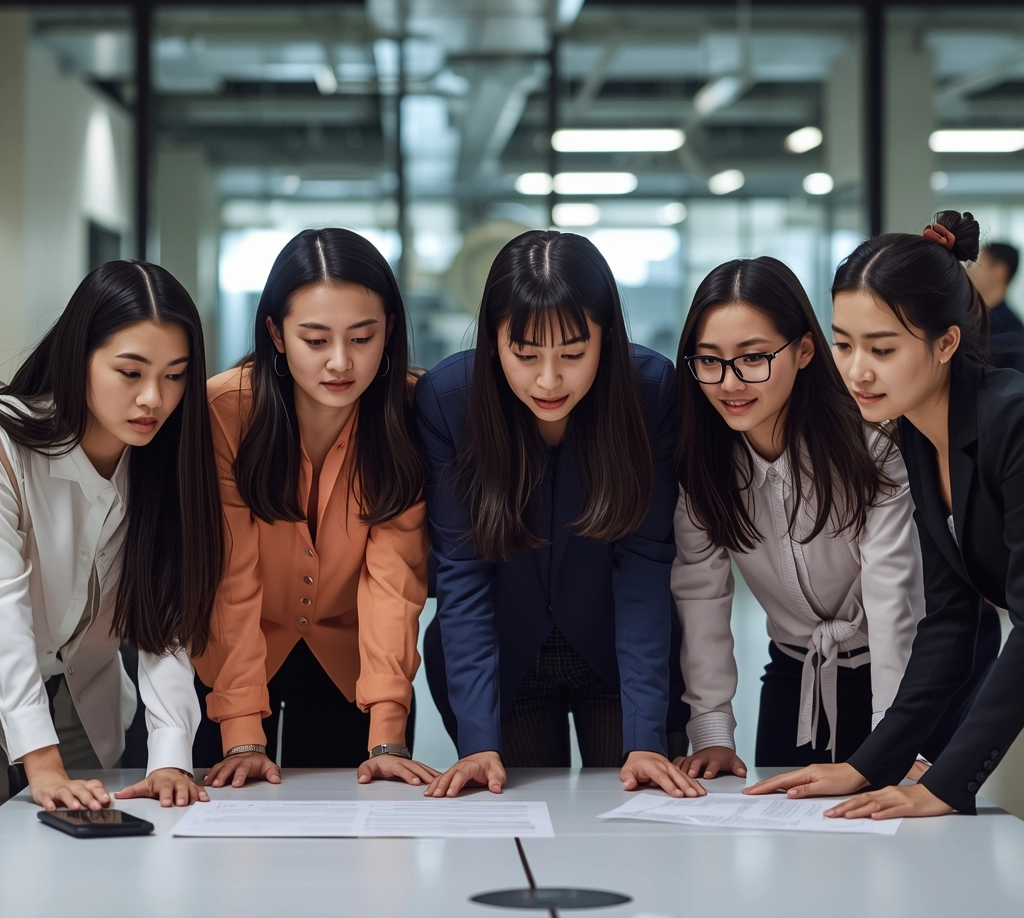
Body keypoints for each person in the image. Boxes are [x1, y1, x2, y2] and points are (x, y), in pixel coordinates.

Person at [748, 209, 1019, 819]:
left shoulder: (1011, 423)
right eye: (844, 344)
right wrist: (867, 765)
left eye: (883, 347)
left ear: (946, 342)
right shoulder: (916, 435)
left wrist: (945, 785)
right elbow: (950, 619)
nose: (856, 370)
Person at [416, 229, 701, 799]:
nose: (549, 380)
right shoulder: (450, 400)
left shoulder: (649, 394)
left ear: (607, 338)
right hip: (502, 659)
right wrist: (477, 738)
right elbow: (461, 574)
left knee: (632, 828)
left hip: (618, 658)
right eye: (525, 355)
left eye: (573, 354)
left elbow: (644, 564)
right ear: (494, 339)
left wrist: (647, 733)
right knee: (516, 823)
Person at [194, 228, 434, 789]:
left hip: (358, 670)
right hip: (231, 670)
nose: (341, 363)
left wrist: (388, 733)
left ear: (390, 330)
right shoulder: (225, 412)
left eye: (362, 337)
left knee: (357, 850)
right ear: (277, 334)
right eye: (316, 339)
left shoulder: (411, 411)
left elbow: (393, 580)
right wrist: (242, 734)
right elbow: (230, 581)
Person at [671, 257, 923, 780]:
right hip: (795, 669)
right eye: (710, 361)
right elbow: (701, 593)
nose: (730, 383)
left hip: (901, 672)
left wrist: (893, 737)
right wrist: (713, 731)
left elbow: (891, 593)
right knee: (787, 839)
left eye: (754, 357)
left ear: (805, 350)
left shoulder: (872, 446)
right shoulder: (703, 464)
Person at [0, 261, 223, 810]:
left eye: (174, 375)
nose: (154, 398)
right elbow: (3, 609)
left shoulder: (165, 462)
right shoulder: (8, 447)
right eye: (131, 372)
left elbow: (166, 618)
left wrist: (170, 755)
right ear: (80, 359)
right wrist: (43, 763)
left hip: (86, 709)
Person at [968, 241, 1024, 371]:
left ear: (999, 272)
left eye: (978, 264)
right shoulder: (972, 319)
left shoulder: (1012, 332)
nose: (970, 272)